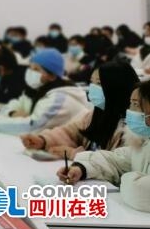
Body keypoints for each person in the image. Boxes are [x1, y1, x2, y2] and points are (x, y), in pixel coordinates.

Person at [58, 81, 150, 213]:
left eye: (136, 105)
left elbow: (140, 192)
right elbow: (116, 161)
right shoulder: (144, 142)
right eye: (130, 104)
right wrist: (81, 169)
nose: (129, 111)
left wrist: (124, 179)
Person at [20, 61, 139, 158]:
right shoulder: (96, 114)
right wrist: (43, 140)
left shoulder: (132, 128)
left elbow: (118, 163)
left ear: (117, 87)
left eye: (99, 83)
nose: (93, 88)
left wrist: (75, 154)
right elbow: (71, 132)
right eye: (92, 82)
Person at [0, 48, 88, 134]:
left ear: (52, 76)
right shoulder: (35, 88)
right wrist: (12, 112)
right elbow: (15, 104)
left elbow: (32, 127)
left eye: (36, 69)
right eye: (30, 67)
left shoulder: (59, 99)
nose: (30, 71)